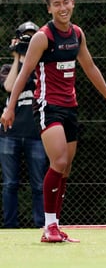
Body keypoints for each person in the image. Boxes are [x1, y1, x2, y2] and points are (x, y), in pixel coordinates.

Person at [0, 0, 106, 243]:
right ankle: (48, 228)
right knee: (58, 162)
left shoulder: (77, 34)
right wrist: (10, 108)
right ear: (49, 9)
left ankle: (55, 225)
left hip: (70, 107)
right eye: (56, 4)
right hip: (47, 106)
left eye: (66, 2)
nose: (62, 7)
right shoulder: (42, 37)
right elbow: (24, 74)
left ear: (73, 3)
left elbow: (90, 67)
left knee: (65, 169)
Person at [0, 21, 48, 229]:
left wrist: (33, 57)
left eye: (32, 38)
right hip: (9, 134)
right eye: (25, 38)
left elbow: (42, 85)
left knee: (39, 184)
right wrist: (18, 57)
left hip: (36, 134)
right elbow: (10, 87)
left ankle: (42, 225)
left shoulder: (44, 67)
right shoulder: (8, 68)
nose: (28, 42)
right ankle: (10, 226)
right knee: (10, 183)